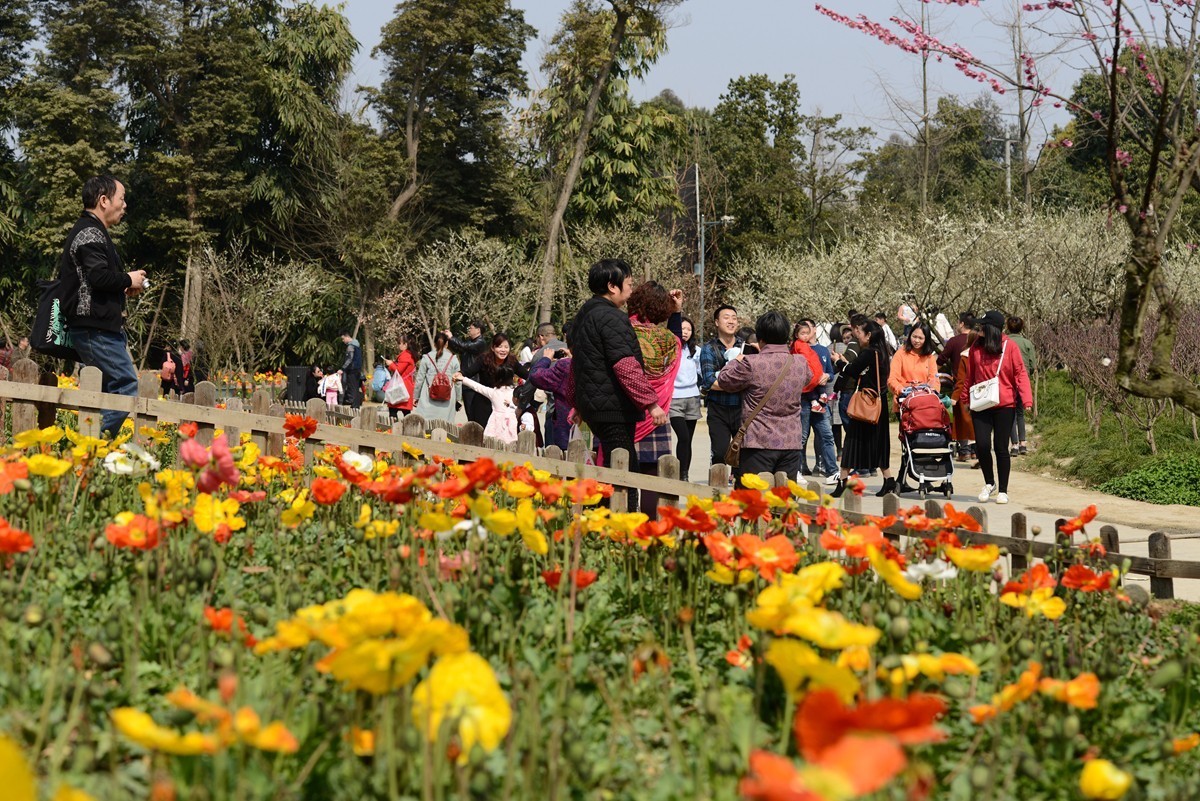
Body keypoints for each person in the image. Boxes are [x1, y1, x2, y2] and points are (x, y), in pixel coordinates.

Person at [57, 176, 146, 437]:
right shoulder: (90, 232)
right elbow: (97, 276)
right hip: (95, 329)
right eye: (121, 198)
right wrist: (127, 278)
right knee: (126, 386)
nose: (125, 204)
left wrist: (122, 284)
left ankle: (93, 456)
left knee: (108, 393)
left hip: (98, 327)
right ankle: (87, 451)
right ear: (104, 200)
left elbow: (96, 278)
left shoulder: (92, 231)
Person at [568, 258, 666, 465]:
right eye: (629, 284)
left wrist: (577, 403)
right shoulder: (611, 317)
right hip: (613, 408)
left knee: (613, 466)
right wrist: (651, 404)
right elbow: (625, 364)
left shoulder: (583, 316)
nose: (631, 289)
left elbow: (577, 364)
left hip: (595, 405)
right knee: (623, 470)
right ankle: (621, 500)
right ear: (613, 286)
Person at [709, 311, 812, 483]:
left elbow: (724, 380)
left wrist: (738, 358)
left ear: (760, 338)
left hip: (758, 442)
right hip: (791, 442)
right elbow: (808, 379)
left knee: (754, 501)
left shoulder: (751, 363)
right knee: (784, 501)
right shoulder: (800, 363)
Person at [962, 310, 1033, 505]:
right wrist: (964, 397)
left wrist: (1026, 399)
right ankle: (989, 483)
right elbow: (971, 374)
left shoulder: (1009, 347)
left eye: (982, 326)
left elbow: (1020, 373)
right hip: (980, 403)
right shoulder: (976, 347)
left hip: (1005, 404)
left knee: (1001, 447)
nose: (978, 329)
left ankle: (1003, 489)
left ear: (991, 329)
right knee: (982, 446)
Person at [628, 282, 684, 516]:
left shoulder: (622, 330)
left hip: (624, 411)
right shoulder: (668, 340)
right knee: (652, 478)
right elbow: (678, 339)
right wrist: (677, 312)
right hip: (656, 415)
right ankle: (651, 530)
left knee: (620, 475)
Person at [831, 320, 896, 497]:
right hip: (879, 402)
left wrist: (838, 362)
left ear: (868, 335)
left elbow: (851, 370)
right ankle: (889, 480)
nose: (856, 336)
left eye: (859, 332)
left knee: (853, 440)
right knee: (879, 442)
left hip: (866, 402)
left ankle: (843, 481)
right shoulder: (884, 352)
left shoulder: (868, 353)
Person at [791, 319, 838, 482]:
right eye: (802, 330)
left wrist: (827, 376)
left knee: (826, 435)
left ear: (814, 330)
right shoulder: (796, 349)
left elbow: (831, 372)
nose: (807, 333)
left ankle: (832, 471)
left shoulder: (823, 350)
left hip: (821, 400)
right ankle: (796, 470)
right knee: (801, 437)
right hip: (803, 400)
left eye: (809, 329)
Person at [699, 305, 744, 471]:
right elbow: (710, 382)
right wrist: (737, 385)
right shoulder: (709, 349)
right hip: (718, 410)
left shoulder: (746, 347)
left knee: (743, 454)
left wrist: (725, 384)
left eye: (734, 317)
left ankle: (741, 493)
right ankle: (716, 491)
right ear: (717, 322)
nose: (731, 321)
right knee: (719, 453)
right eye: (726, 317)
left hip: (742, 408)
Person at [938, 312, 976, 461]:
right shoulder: (979, 340)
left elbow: (941, 360)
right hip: (978, 386)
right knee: (974, 419)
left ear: (961, 323)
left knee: (961, 417)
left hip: (960, 384)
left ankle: (964, 450)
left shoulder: (954, 341)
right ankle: (975, 451)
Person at [454, 361, 519, 444]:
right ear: (512, 378)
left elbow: (477, 387)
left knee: (491, 444)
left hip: (495, 422)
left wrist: (463, 379)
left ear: (497, 378)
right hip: (511, 422)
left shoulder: (493, 392)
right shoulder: (515, 393)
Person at [670, 316, 701, 482]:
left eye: (689, 329)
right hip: (675, 399)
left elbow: (702, 372)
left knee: (688, 439)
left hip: (693, 399)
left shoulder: (696, 351)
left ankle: (684, 474)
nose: (685, 332)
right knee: (683, 437)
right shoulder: (671, 349)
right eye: (682, 329)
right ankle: (680, 472)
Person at [529, 347, 574, 451]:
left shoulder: (565, 366)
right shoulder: (601, 365)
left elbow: (535, 376)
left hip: (566, 430)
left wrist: (546, 359)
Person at [888, 323, 939, 410]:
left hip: (925, 403)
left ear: (926, 339)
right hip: (904, 403)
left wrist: (931, 391)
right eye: (914, 336)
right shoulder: (900, 354)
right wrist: (902, 390)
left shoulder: (929, 357)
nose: (916, 340)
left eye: (920, 338)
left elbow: (935, 380)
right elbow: (892, 379)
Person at [447, 321, 489, 426]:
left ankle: (475, 431)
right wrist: (449, 340)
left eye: (471, 328)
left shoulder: (480, 343)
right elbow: (459, 348)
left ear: (478, 330)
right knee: (469, 411)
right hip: (467, 380)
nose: (469, 330)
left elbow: (464, 346)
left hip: (474, 381)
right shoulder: (471, 342)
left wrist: (452, 338)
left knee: (473, 411)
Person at [1006, 317, 1037, 456]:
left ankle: (1014, 445)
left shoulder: (1005, 342)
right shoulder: (1027, 343)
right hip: (1022, 381)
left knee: (1010, 413)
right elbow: (1032, 365)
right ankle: (1023, 443)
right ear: (1022, 328)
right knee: (1020, 413)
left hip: (1007, 381)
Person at [413, 332, 461, 423]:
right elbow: (458, 382)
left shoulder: (427, 357)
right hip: (448, 399)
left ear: (434, 344)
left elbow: (420, 379)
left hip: (428, 397)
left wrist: (416, 396)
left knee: (426, 424)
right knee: (446, 426)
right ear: (447, 344)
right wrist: (458, 399)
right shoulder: (453, 359)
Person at [384, 335, 417, 420]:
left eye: (399, 343)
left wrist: (391, 364)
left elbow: (398, 371)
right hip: (405, 385)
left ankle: (394, 429)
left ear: (405, 344)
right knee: (405, 411)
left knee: (393, 410)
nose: (398, 345)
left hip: (401, 387)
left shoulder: (405, 355)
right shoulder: (409, 355)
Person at [338, 331, 364, 408]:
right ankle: (356, 404)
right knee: (356, 387)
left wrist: (342, 368)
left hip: (352, 370)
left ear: (347, 337)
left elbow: (349, 359)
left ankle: (355, 404)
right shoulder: (357, 345)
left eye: (343, 339)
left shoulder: (350, 347)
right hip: (358, 369)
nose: (343, 341)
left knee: (352, 387)